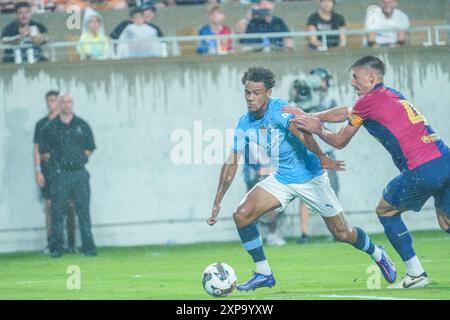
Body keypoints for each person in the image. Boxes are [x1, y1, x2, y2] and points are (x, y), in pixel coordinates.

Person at [207, 65, 396, 292]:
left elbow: (301, 131)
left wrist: (322, 157)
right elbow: (231, 162)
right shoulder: (244, 123)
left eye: (256, 93)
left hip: (311, 178)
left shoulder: (280, 110)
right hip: (282, 180)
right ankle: (264, 273)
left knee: (343, 233)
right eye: (247, 92)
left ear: (268, 93)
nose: (250, 98)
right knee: (241, 215)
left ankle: (377, 253)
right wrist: (218, 200)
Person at [286, 55, 450, 289]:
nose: (352, 82)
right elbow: (347, 112)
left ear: (371, 77)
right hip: (445, 160)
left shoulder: (368, 101)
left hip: (421, 168)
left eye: (356, 77)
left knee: (386, 211)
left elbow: (340, 141)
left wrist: (318, 128)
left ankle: (415, 274)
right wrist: (310, 116)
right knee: (446, 222)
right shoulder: (390, 94)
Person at [41, 93, 97, 258]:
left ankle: (88, 247)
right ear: (59, 104)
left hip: (80, 174)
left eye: (69, 101)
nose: (66, 104)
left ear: (72, 104)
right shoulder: (50, 127)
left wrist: (78, 159)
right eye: (63, 102)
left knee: (84, 212)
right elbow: (44, 152)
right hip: (60, 176)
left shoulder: (82, 125)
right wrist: (59, 163)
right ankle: (57, 248)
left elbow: (90, 148)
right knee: (58, 213)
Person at [289, 68, 340, 244]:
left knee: (332, 191)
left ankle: (338, 231)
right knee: (305, 194)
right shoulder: (302, 99)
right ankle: (304, 234)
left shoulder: (329, 100)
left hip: (326, 151)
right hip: (308, 154)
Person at [33, 90, 77, 254]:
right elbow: (37, 149)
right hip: (49, 172)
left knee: (70, 206)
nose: (51, 104)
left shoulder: (68, 123)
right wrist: (38, 170)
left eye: (53, 100)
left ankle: (71, 243)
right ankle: (52, 243)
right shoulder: (41, 124)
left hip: (66, 171)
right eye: (49, 101)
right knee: (50, 206)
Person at [243, 138, 286, 246]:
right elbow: (247, 154)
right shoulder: (248, 134)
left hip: (271, 174)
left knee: (272, 206)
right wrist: (258, 169)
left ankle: (273, 234)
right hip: (254, 176)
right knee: (252, 208)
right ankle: (251, 237)